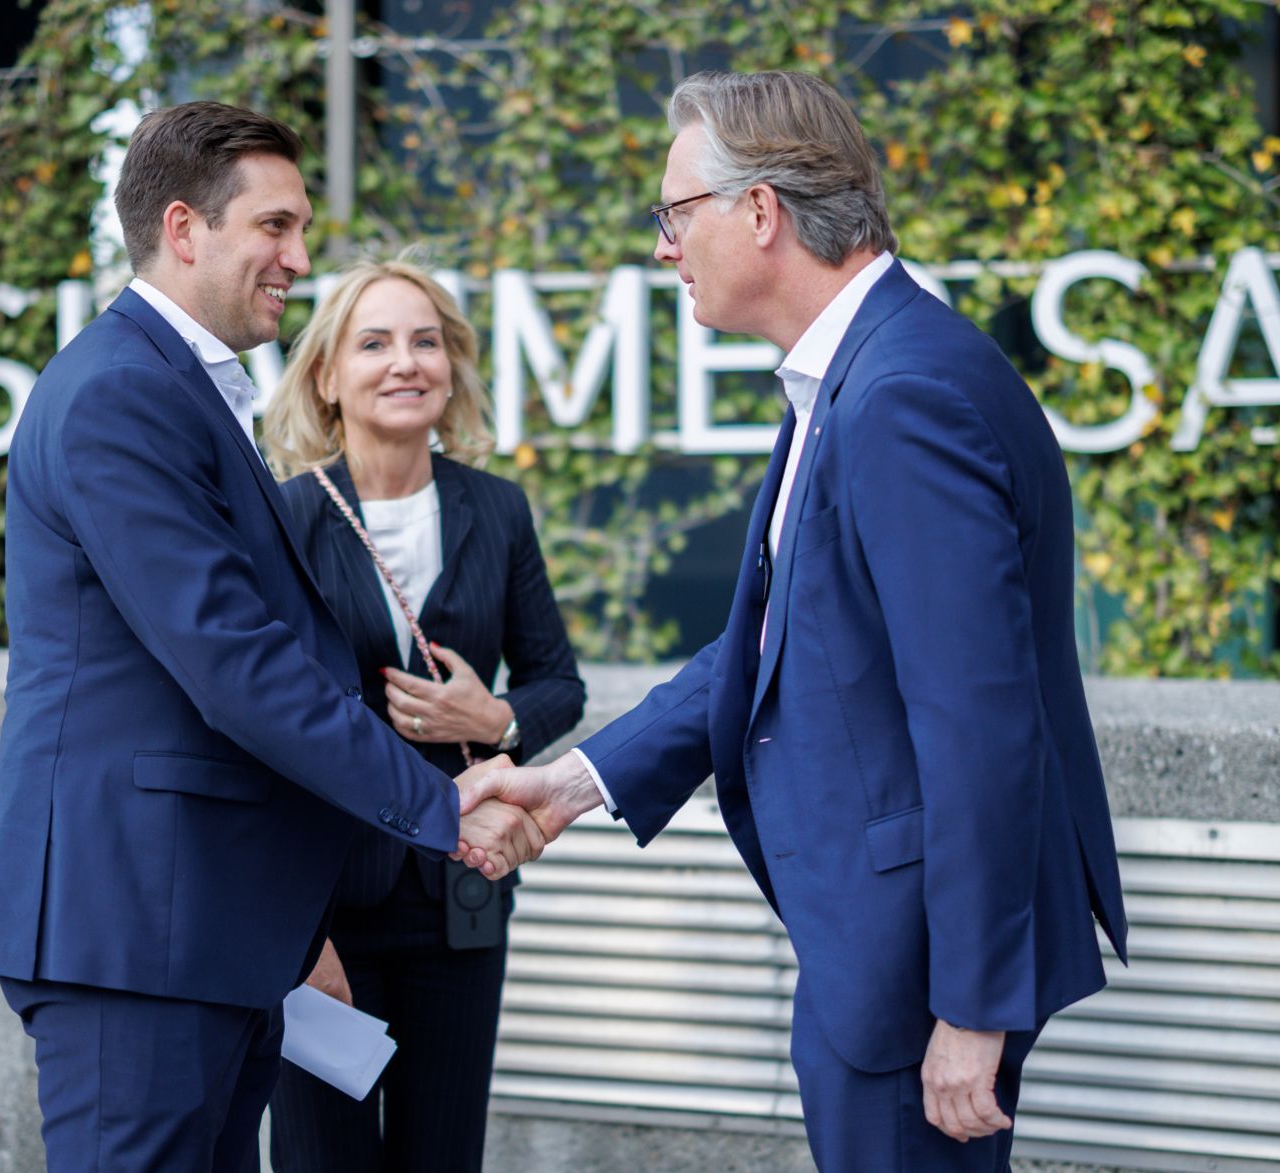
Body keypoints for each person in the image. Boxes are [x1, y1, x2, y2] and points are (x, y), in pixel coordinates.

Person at [457, 70, 1129, 1171]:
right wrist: (572, 784)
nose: (663, 249)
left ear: (760, 211)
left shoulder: (903, 394)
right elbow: (776, 642)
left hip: (917, 968)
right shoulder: (858, 375)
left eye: (675, 214)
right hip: (882, 947)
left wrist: (970, 1007)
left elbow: (978, 722)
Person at [0, 102, 543, 1173]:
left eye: (300, 229)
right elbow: (235, 661)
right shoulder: (120, 393)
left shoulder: (174, 387)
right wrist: (439, 802)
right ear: (184, 230)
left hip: (202, 931)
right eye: (275, 226)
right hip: (136, 933)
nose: (299, 258)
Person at [260, 257, 585, 1172]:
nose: (406, 362)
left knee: (444, 1154)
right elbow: (261, 721)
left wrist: (495, 715)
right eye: (374, 343)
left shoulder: (498, 508)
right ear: (327, 375)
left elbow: (559, 682)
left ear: (451, 365)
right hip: (324, 909)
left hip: (462, 896)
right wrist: (290, 922)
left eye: (426, 341)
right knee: (321, 1159)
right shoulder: (284, 519)